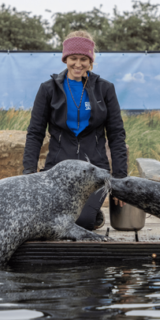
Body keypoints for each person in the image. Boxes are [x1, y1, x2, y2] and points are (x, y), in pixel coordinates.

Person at [22, 31, 127, 230]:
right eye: (73, 58)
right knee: (50, 220)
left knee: (80, 221)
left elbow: (116, 135)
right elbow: (35, 133)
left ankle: (92, 213)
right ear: (65, 59)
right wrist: (28, 172)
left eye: (83, 59)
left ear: (90, 60)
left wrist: (120, 179)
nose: (78, 64)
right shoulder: (48, 89)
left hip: (94, 171)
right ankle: (92, 212)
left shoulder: (105, 89)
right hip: (57, 169)